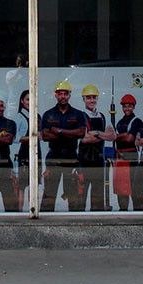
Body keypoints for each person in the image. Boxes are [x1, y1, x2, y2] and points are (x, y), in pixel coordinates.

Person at [40, 81, 88, 212]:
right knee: (49, 193)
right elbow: (45, 135)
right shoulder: (49, 114)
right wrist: (70, 134)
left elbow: (81, 133)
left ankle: (75, 220)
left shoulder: (77, 114)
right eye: (60, 94)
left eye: (65, 94)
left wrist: (59, 131)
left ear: (69, 95)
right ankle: (45, 219)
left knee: (73, 194)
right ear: (55, 95)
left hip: (71, 156)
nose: (63, 96)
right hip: (54, 156)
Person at [77, 84, 114, 211]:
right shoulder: (80, 116)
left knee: (98, 195)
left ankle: (97, 217)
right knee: (81, 196)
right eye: (88, 98)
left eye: (94, 97)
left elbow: (112, 136)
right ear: (83, 99)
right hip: (84, 161)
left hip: (99, 161)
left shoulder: (103, 116)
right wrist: (103, 135)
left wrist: (96, 133)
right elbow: (85, 138)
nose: (91, 100)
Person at [112, 94, 140, 211]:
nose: (127, 108)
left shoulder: (136, 121)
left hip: (131, 156)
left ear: (133, 107)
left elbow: (129, 139)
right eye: (125, 106)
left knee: (133, 187)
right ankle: (123, 209)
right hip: (120, 157)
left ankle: (138, 211)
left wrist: (119, 136)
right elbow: (113, 137)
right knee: (121, 188)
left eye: (129, 106)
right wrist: (123, 135)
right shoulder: (119, 122)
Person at [14, 88, 33, 210]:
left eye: (32, 99)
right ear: (22, 101)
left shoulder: (37, 116)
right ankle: (20, 212)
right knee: (21, 186)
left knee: (33, 185)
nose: (30, 102)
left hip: (35, 153)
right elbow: (14, 138)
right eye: (27, 99)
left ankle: (32, 209)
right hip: (23, 154)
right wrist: (30, 138)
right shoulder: (18, 117)